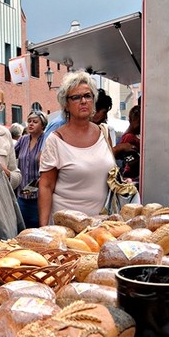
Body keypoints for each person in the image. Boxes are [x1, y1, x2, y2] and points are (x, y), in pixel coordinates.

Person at [38, 71, 116, 225]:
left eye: (88, 96)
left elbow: (110, 173)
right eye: (76, 97)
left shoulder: (104, 133)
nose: (83, 101)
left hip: (101, 224)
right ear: (66, 104)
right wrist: (44, 228)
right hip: (66, 227)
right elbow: (46, 186)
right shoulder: (56, 140)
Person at [14, 110, 47, 228]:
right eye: (29, 121)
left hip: (39, 198)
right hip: (21, 196)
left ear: (43, 124)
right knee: (21, 230)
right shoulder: (23, 140)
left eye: (35, 122)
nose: (31, 124)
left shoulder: (46, 140)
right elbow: (11, 155)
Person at [113, 104, 141, 182]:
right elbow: (130, 161)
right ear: (131, 120)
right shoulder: (129, 137)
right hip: (130, 174)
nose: (141, 126)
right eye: (139, 122)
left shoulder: (131, 136)